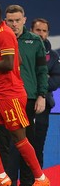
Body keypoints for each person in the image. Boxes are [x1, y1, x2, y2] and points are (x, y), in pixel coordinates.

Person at [0, 0, 50, 186]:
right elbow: (14, 63)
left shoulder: (4, 35)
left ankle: (40, 178)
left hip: (11, 95)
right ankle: (0, 176)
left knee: (19, 138)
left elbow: (8, 65)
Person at [0, 5, 48, 186]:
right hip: (3, 99)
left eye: (18, 20)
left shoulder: (35, 41)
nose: (14, 24)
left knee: (26, 143)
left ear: (24, 20)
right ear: (5, 21)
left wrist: (42, 95)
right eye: (10, 21)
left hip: (28, 99)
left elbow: (42, 71)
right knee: (4, 144)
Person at [31, 18, 60, 168]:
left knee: (38, 144)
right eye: (38, 30)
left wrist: (39, 83)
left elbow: (56, 79)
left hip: (44, 105)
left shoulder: (54, 56)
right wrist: (42, 77)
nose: (41, 34)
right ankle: (11, 185)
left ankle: (36, 183)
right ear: (31, 31)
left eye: (44, 31)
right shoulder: (23, 51)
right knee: (17, 144)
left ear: (48, 33)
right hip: (22, 101)